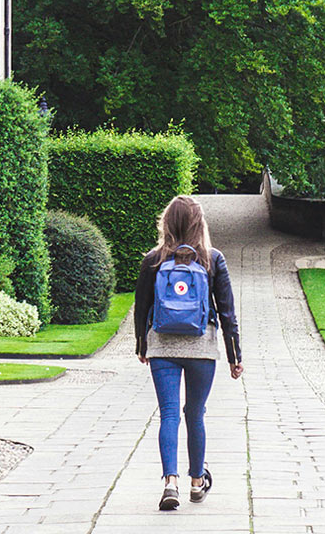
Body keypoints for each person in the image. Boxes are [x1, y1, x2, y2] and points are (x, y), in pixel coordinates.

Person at [134, 195, 243, 511]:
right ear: (199, 223)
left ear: (167, 222)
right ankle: (197, 482)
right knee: (195, 413)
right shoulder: (212, 259)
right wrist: (235, 355)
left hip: (162, 345)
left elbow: (141, 308)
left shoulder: (154, 259)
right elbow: (227, 312)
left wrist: (143, 346)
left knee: (168, 413)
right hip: (202, 348)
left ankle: (171, 482)